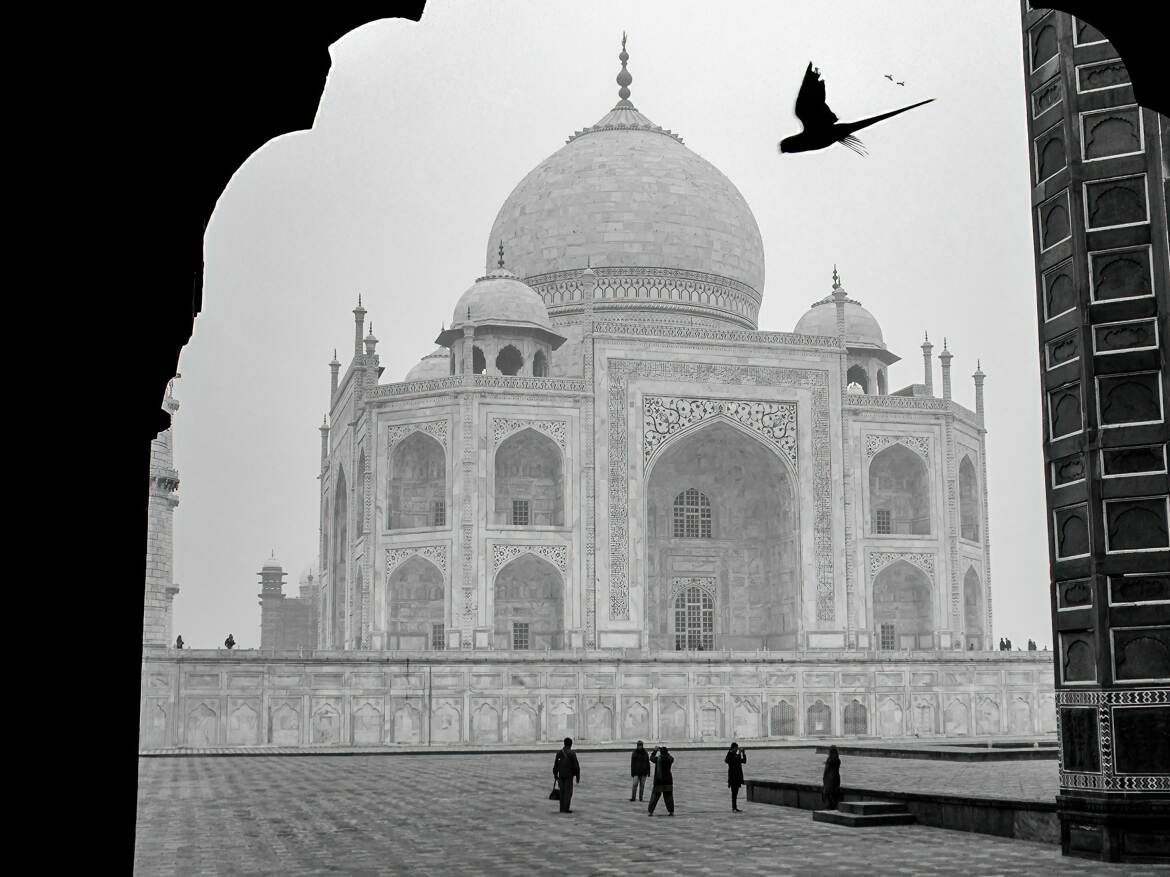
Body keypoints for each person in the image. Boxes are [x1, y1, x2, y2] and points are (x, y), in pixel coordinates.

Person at [552, 737, 580, 813]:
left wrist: (555, 774)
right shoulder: (572, 753)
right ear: (571, 744)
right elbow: (576, 766)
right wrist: (577, 776)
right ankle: (566, 809)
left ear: (564, 743)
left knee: (562, 793)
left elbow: (556, 765)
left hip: (561, 775)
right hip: (569, 776)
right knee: (568, 793)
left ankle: (561, 809)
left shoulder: (559, 753)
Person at [647, 745, 675, 816]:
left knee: (654, 797)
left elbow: (651, 758)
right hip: (668, 781)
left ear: (661, 752)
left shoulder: (658, 759)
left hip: (659, 781)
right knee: (669, 797)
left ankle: (650, 812)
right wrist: (665, 751)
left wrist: (655, 751)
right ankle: (671, 811)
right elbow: (672, 758)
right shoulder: (669, 759)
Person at [725, 742, 747, 812]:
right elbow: (732, 761)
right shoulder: (729, 754)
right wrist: (738, 753)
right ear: (733, 748)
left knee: (736, 793)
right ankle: (733, 808)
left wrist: (743, 753)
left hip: (738, 776)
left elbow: (744, 761)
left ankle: (735, 807)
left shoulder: (736, 754)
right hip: (732, 777)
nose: (737, 749)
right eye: (736, 748)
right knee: (734, 793)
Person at [822, 745, 842, 810]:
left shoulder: (830, 760)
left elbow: (827, 772)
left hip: (830, 780)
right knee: (832, 797)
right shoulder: (836, 760)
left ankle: (829, 808)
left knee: (829, 797)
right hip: (834, 780)